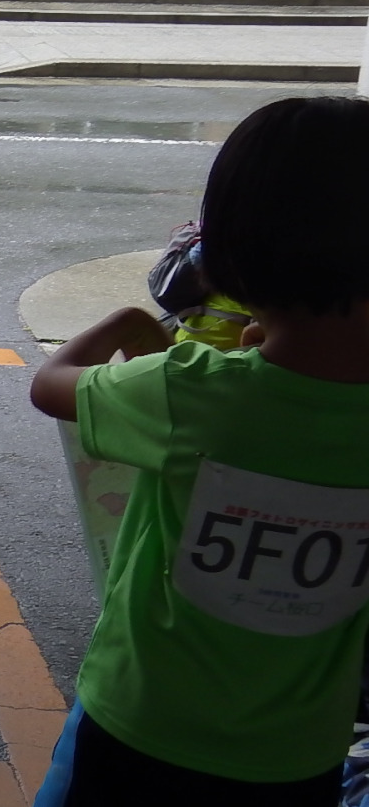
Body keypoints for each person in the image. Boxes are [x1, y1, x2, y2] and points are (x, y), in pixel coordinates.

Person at [29, 96, 369, 807]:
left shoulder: (192, 390)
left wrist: (126, 322)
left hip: (141, 724)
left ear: (234, 248)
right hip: (300, 753)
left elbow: (52, 385)